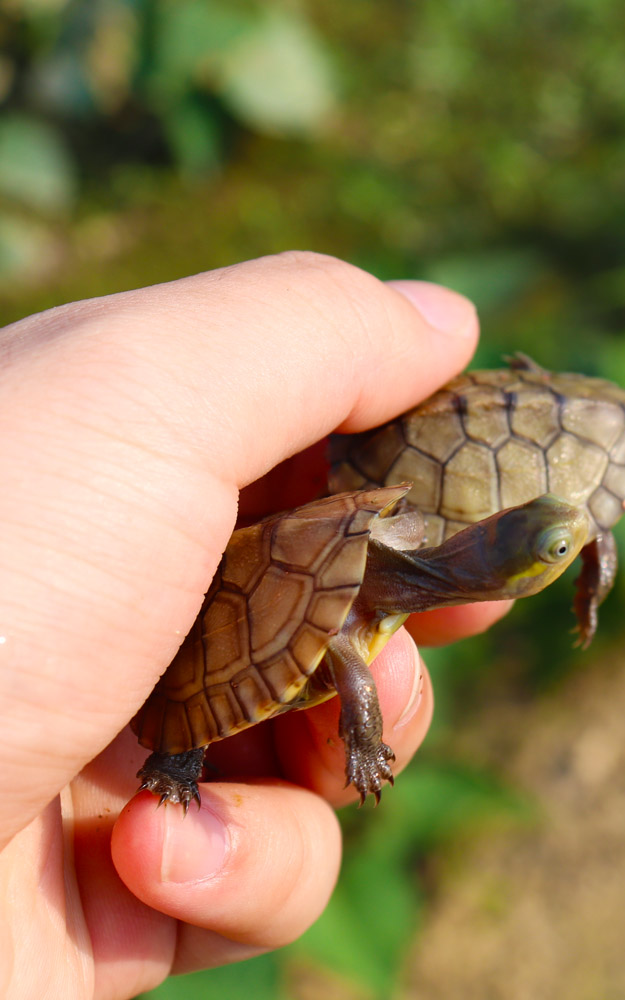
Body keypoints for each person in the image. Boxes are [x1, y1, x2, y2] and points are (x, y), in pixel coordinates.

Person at [0, 252, 510, 999]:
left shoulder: (393, 549)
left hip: (285, 577)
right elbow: (344, 652)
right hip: (235, 623)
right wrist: (364, 744)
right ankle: (178, 754)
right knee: (305, 691)